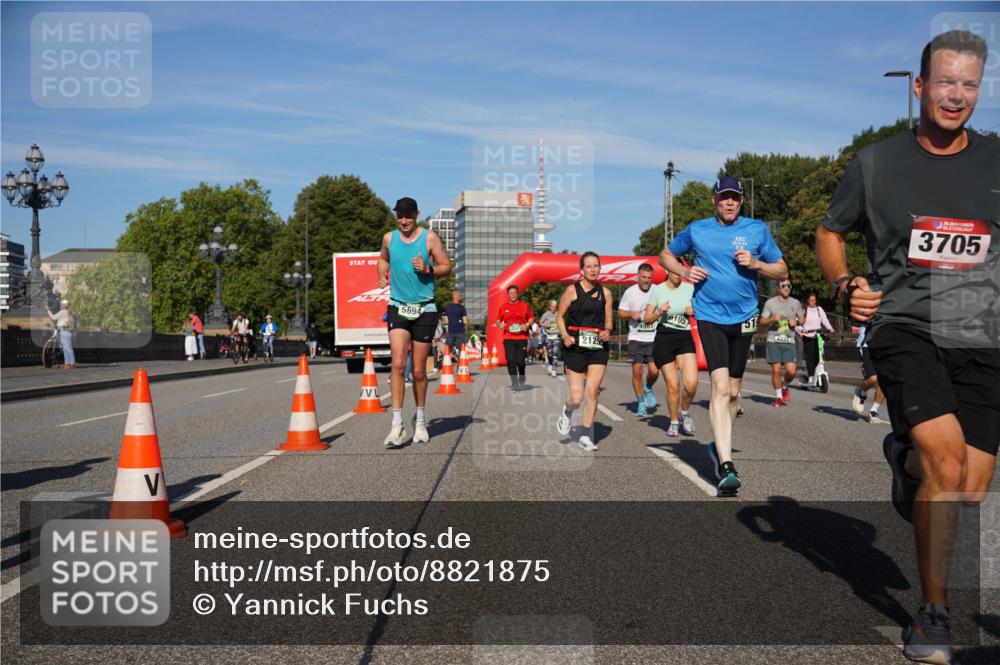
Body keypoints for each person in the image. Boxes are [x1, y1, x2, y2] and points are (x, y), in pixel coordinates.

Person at [816, 30, 998, 664]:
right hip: (905, 326)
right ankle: (933, 610)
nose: (957, 96)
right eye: (944, 82)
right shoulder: (876, 162)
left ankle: (905, 461)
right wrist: (845, 285)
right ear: (919, 87)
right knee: (946, 465)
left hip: (983, 333)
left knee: (968, 487)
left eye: (969, 84)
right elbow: (830, 231)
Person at [659, 176, 788, 496]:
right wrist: (684, 272)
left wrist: (757, 264)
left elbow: (782, 270)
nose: (729, 203)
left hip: (744, 318)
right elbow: (665, 255)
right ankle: (727, 463)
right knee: (718, 386)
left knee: (733, 392)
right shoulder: (698, 229)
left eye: (735, 198)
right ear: (714, 199)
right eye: (724, 197)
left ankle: (718, 446)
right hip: (710, 315)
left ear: (741, 201)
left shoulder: (756, 230)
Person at [378, 196, 451, 448]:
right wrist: (381, 274)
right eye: (400, 215)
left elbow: (446, 266)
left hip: (424, 308)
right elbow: (383, 259)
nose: (404, 220)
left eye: (408, 215)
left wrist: (428, 269)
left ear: (417, 214)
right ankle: (396, 425)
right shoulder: (389, 238)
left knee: (418, 371)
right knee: (398, 363)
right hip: (398, 305)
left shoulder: (428, 238)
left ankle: (420, 420)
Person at [555, 252, 613, 451]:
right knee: (576, 398)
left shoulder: (606, 293)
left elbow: (608, 321)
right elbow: (560, 316)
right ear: (582, 270)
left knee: (593, 391)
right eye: (588, 266)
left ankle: (586, 435)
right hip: (575, 347)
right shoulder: (572, 291)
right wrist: (564, 335)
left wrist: (608, 331)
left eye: (596, 265)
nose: (593, 269)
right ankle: (567, 410)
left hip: (597, 347)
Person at [644, 269, 698, 437]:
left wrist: (694, 311)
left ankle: (684, 412)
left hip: (684, 337)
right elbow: (646, 319)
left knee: (691, 383)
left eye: (680, 272)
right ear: (667, 271)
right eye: (674, 271)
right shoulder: (658, 290)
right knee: (673, 385)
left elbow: (706, 311)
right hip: (664, 338)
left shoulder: (690, 289)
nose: (678, 275)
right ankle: (674, 422)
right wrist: (660, 311)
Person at [618, 263, 661, 416]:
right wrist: (631, 314)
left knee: (655, 371)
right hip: (636, 337)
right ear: (638, 276)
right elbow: (620, 312)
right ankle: (641, 402)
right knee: (637, 372)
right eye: (643, 277)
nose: (646, 280)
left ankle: (648, 386)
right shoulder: (630, 292)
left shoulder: (658, 290)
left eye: (649, 278)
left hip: (654, 337)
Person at [760, 280, 804, 407]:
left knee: (791, 371)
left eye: (789, 286)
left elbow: (802, 317)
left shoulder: (795, 303)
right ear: (778, 288)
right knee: (776, 369)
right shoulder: (770, 303)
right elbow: (762, 321)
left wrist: (797, 322)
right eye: (783, 286)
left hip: (789, 340)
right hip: (773, 340)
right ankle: (778, 396)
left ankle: (784, 386)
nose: (786, 288)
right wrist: (772, 319)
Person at [496, 284, 534, 391]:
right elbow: (498, 320)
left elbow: (531, 318)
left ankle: (522, 374)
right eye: (510, 293)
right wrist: (500, 325)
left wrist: (526, 325)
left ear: (518, 294)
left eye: (514, 293)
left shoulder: (524, 305)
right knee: (511, 360)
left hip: (522, 338)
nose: (513, 295)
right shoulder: (503, 307)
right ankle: (514, 382)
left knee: (520, 362)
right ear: (508, 295)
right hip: (508, 337)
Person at [797, 292, 835, 387]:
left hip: (818, 336)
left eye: (814, 300)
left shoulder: (819, 309)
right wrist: (802, 330)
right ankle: (810, 376)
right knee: (810, 358)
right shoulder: (804, 310)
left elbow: (825, 320)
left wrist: (830, 328)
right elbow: (798, 324)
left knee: (819, 357)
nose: (813, 302)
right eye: (811, 300)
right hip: (808, 337)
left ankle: (817, 374)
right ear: (807, 301)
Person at [850, 324, 885, 424]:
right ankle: (861, 391)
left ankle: (873, 411)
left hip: (883, 348)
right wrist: (855, 324)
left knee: (884, 381)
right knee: (873, 378)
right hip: (866, 346)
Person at [46, 299, 76, 368]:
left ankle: (72, 363)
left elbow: (54, 318)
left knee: (68, 348)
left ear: (64, 305)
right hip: (64, 331)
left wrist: (48, 310)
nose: (60, 305)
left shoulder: (63, 312)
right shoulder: (67, 312)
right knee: (65, 349)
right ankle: (67, 363)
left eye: (61, 304)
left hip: (65, 332)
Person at [442, 290, 469, 357]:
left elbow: (446, 321)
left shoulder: (448, 307)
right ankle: (461, 365)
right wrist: (464, 328)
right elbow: (465, 321)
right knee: (461, 351)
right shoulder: (462, 308)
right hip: (460, 332)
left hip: (451, 332)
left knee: (447, 350)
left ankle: (444, 364)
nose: (460, 296)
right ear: (456, 296)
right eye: (459, 295)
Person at [539, 300, 561, 377]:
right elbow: (540, 322)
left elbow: (562, 322)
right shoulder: (546, 314)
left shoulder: (559, 314)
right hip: (548, 335)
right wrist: (545, 325)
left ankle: (554, 369)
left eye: (555, 307)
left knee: (555, 352)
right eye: (552, 307)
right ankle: (550, 364)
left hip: (556, 334)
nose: (554, 309)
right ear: (549, 307)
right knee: (550, 352)